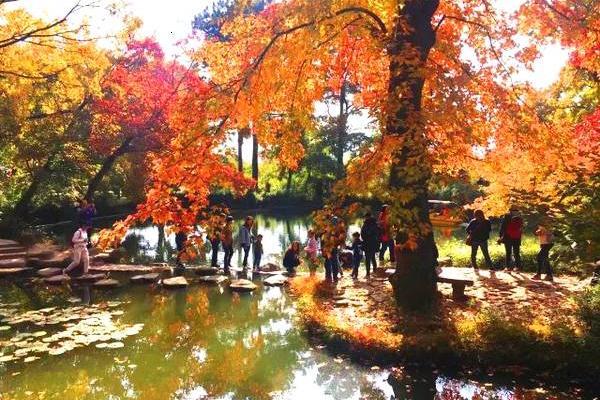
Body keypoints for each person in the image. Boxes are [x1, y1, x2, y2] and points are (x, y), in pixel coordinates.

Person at [499, 206, 523, 271]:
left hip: (508, 237)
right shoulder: (520, 217)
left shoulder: (507, 216)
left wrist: (500, 236)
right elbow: (521, 228)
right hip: (517, 237)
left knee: (508, 252)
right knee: (516, 252)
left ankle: (508, 267)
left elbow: (503, 227)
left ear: (510, 210)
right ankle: (518, 267)